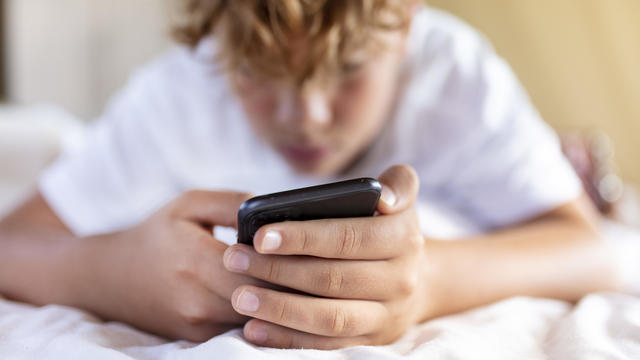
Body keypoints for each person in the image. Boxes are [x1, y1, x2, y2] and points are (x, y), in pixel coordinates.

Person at [0, 0, 620, 349]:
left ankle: (572, 162)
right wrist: (111, 274)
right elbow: (12, 244)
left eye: (348, 68)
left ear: (403, 24)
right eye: (261, 74)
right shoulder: (185, 86)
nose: (308, 118)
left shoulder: (454, 76)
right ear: (217, 36)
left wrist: (429, 280)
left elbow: (593, 253)